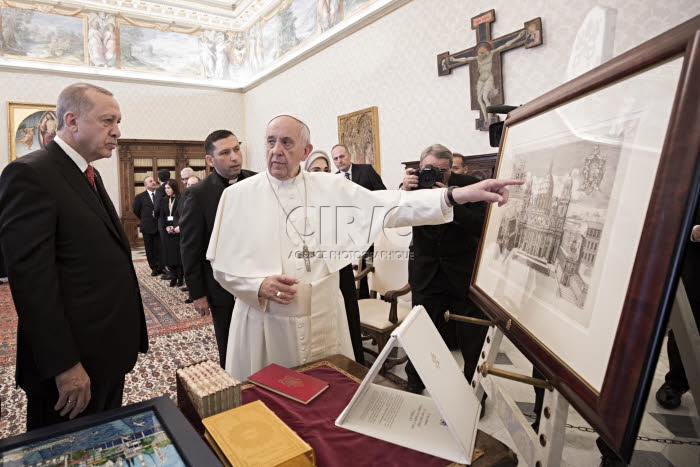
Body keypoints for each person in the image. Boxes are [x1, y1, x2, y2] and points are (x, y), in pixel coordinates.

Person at [206, 114, 521, 381]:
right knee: (273, 409)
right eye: (270, 141)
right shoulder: (238, 196)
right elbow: (222, 266)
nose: (276, 150)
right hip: (266, 322)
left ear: (305, 150)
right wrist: (257, 285)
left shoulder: (330, 187)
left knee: (328, 400)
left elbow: (392, 205)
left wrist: (457, 195)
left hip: (324, 317)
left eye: (287, 143)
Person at [0, 83, 148, 430]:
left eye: (118, 121)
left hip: (104, 353)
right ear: (72, 120)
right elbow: (32, 284)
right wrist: (64, 366)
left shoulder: (86, 173)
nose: (117, 131)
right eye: (108, 120)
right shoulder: (31, 174)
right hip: (70, 368)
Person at [400, 145, 489, 411]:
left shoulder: (471, 185)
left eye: (442, 171)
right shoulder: (410, 186)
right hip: (426, 272)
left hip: (462, 272)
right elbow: (394, 215)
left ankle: (475, 393)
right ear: (419, 167)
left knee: (473, 336)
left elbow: (479, 224)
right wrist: (403, 191)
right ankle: (415, 379)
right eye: (429, 169)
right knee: (420, 331)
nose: (435, 174)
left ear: (451, 168)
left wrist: (447, 198)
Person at [180, 130, 256, 368]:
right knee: (231, 346)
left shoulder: (257, 182)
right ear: (210, 160)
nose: (234, 157)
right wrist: (198, 293)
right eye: (225, 152)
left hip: (260, 281)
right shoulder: (197, 194)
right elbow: (191, 248)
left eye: (236, 149)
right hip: (222, 288)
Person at [303, 149, 364, 365]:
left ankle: (354, 365)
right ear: (306, 172)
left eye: (326, 169)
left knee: (347, 317)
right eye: (316, 169)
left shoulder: (337, 196)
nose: (322, 173)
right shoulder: (299, 199)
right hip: (314, 273)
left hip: (341, 267)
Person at [656, 202, 700, 409]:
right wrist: (693, 231)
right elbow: (678, 211)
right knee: (688, 321)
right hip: (697, 266)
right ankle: (675, 383)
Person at [449, 32, 525, 125]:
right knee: (479, 99)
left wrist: (518, 37)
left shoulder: (491, 54)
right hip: (481, 79)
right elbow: (465, 59)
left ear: (485, 51)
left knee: (485, 98)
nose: (480, 54)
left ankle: (489, 120)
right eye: (479, 53)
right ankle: (485, 119)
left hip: (489, 78)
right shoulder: (477, 58)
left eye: (482, 52)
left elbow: (505, 45)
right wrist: (454, 60)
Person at [133, 176, 162, 276]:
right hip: (147, 226)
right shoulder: (140, 197)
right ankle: (154, 267)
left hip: (159, 226)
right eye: (150, 181)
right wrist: (146, 218)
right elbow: (136, 211)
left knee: (159, 248)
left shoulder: (160, 194)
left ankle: (161, 266)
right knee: (150, 248)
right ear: (145, 185)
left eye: (154, 180)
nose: (153, 182)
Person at [159, 179, 184, 287]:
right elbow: (162, 216)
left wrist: (176, 227)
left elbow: (183, 215)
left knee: (178, 256)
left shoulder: (181, 198)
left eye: (168, 188)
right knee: (169, 256)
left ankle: (180, 277)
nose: (167, 190)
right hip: (168, 231)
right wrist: (166, 227)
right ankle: (173, 276)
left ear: (174, 187)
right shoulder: (164, 200)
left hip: (178, 230)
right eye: (165, 188)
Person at [153, 168, 171, 279]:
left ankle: (170, 270)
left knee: (165, 245)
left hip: (163, 221)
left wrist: (155, 213)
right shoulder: (173, 185)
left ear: (158, 178)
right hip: (174, 220)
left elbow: (158, 206)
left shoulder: (160, 189)